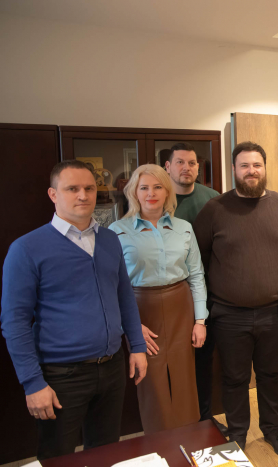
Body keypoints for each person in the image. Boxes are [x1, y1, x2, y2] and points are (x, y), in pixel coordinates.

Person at [1, 160, 147, 460]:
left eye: (89, 188)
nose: (83, 195)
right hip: (61, 375)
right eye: (72, 189)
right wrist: (32, 383)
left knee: (105, 452)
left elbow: (124, 296)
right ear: (53, 194)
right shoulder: (26, 248)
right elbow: (14, 322)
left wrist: (137, 346)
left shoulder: (109, 239)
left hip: (111, 367)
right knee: (58, 457)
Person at [193, 142, 278, 457]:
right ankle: (237, 433)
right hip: (228, 315)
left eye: (256, 165)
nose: (251, 171)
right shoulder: (214, 209)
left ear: (264, 168)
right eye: (244, 166)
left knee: (270, 375)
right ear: (234, 169)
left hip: (274, 312)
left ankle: (272, 429)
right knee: (234, 378)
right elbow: (198, 260)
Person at [109, 164, 207, 434]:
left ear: (167, 192)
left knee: (184, 378)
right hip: (139, 310)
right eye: (144, 188)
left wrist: (200, 321)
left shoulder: (184, 228)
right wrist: (130, 326)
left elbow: (196, 275)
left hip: (181, 308)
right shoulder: (117, 231)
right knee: (150, 381)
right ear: (134, 193)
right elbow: (111, 285)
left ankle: (189, 439)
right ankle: (158, 443)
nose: (151, 193)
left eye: (157, 187)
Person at [164, 141, 219, 422]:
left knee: (202, 361)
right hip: (168, 297)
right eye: (180, 162)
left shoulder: (213, 199)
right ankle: (174, 422)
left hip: (206, 294)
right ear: (168, 167)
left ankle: (204, 419)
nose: (186, 168)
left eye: (192, 163)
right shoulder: (157, 198)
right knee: (170, 364)